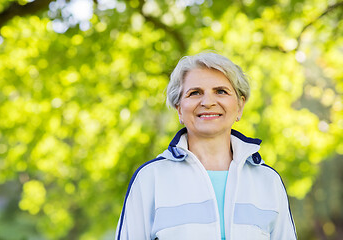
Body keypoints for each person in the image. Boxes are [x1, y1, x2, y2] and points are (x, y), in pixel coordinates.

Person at [115, 52, 297, 240]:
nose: (208, 102)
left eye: (221, 91)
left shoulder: (268, 181)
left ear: (240, 106)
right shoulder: (150, 179)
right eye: (195, 93)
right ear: (179, 109)